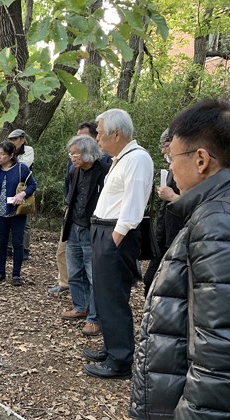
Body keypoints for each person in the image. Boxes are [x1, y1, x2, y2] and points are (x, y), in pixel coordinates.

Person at [129, 98, 230, 420]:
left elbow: (220, 342)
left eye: (173, 159)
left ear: (201, 160)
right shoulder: (214, 209)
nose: (170, 169)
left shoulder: (217, 221)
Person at [82, 109, 154, 379]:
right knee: (104, 295)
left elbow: (133, 205)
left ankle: (121, 360)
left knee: (113, 298)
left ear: (117, 133)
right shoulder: (119, 159)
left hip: (116, 234)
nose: (97, 138)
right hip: (104, 230)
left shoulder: (137, 158)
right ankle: (112, 348)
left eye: (100, 133)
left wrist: (115, 238)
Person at [60, 135, 110, 336]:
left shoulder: (105, 172)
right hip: (74, 226)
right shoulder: (74, 170)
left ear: (89, 153)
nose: (72, 158)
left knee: (93, 275)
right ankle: (80, 307)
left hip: (93, 229)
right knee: (74, 271)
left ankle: (94, 318)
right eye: (71, 154)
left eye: (76, 154)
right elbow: (69, 194)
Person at [0, 141, 37, 286]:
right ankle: (0, 271)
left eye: (3, 154)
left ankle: (16, 274)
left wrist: (22, 194)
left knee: (18, 243)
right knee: (1, 242)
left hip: (17, 212)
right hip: (0, 212)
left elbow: (33, 184)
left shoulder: (21, 168)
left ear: (11, 155)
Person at [142, 129, 182, 297]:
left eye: (166, 146)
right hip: (163, 233)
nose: (163, 151)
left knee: (167, 282)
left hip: (178, 236)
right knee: (150, 279)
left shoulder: (191, 170)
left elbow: (199, 199)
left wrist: (172, 196)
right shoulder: (172, 168)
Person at [8, 129, 34, 260]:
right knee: (8, 216)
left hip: (25, 189)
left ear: (22, 140)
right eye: (11, 140)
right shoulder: (8, 151)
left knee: (25, 219)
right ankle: (9, 247)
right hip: (10, 189)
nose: (13, 142)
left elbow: (23, 166)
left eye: (15, 139)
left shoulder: (28, 150)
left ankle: (24, 249)